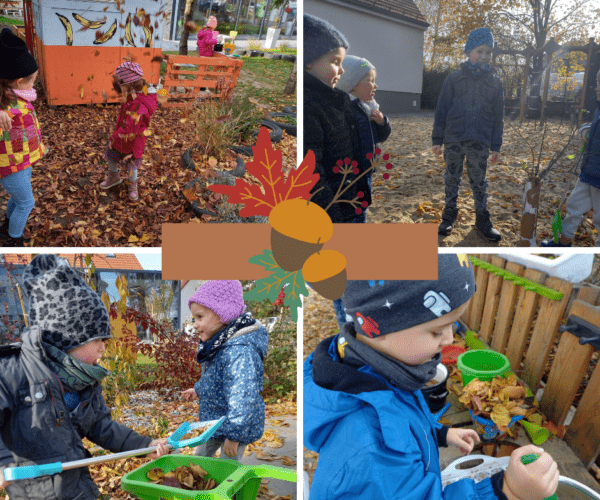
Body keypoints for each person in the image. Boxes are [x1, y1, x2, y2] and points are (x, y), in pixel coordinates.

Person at [304, 254, 560, 500]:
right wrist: (508, 491)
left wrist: (438, 433)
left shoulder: (377, 371)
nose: (449, 339)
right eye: (438, 331)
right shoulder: (372, 449)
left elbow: (399, 414)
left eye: (453, 325)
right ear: (381, 324)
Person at [0, 254, 169, 499]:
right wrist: (3, 464)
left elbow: (101, 426)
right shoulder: (13, 372)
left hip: (78, 488)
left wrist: (143, 445)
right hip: (34, 492)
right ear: (69, 338)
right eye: (98, 340)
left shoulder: (84, 379)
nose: (103, 348)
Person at [180, 280, 268, 462]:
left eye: (200, 317)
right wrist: (198, 389)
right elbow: (213, 378)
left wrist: (234, 435)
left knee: (225, 469)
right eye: (193, 318)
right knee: (201, 459)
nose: (194, 324)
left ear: (223, 314)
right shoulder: (218, 342)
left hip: (235, 426)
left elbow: (243, 396)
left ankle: (223, 490)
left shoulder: (240, 351)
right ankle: (200, 486)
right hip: (213, 422)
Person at [432, 27, 504, 242]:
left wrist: (496, 146)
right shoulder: (453, 79)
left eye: (488, 52)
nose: (483, 56)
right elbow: (442, 109)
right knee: (452, 178)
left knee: (479, 181)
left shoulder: (496, 82)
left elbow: (498, 116)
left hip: (480, 140)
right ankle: (449, 214)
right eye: (479, 51)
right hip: (454, 137)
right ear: (469, 52)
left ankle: (482, 219)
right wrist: (437, 139)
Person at [304, 14, 370, 223]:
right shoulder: (311, 107)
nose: (341, 70)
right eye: (335, 62)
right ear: (308, 61)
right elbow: (312, 174)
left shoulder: (340, 101)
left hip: (353, 198)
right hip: (335, 212)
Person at [542, 68, 600, 247]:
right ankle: (563, 239)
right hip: (587, 171)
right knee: (574, 206)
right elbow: (593, 127)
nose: (598, 88)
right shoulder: (599, 108)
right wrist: (585, 130)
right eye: (598, 83)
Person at [0, 28, 48, 246]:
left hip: (21, 160)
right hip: (9, 166)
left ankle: (7, 224)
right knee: (27, 203)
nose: (34, 86)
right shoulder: (4, 109)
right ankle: (13, 238)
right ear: (18, 82)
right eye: (32, 81)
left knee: (18, 198)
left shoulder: (13, 94)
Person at [336, 55, 391, 214]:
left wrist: (382, 123)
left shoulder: (370, 107)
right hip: (349, 175)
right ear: (352, 83)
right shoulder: (343, 109)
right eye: (370, 81)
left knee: (362, 207)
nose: (375, 85)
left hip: (366, 170)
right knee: (350, 210)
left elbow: (381, 136)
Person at [100, 61, 158, 202]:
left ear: (130, 84)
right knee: (112, 154)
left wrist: (114, 138)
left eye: (121, 85)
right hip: (122, 135)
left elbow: (130, 128)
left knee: (132, 163)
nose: (119, 88)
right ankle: (114, 177)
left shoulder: (139, 104)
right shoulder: (133, 96)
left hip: (132, 140)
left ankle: (133, 184)